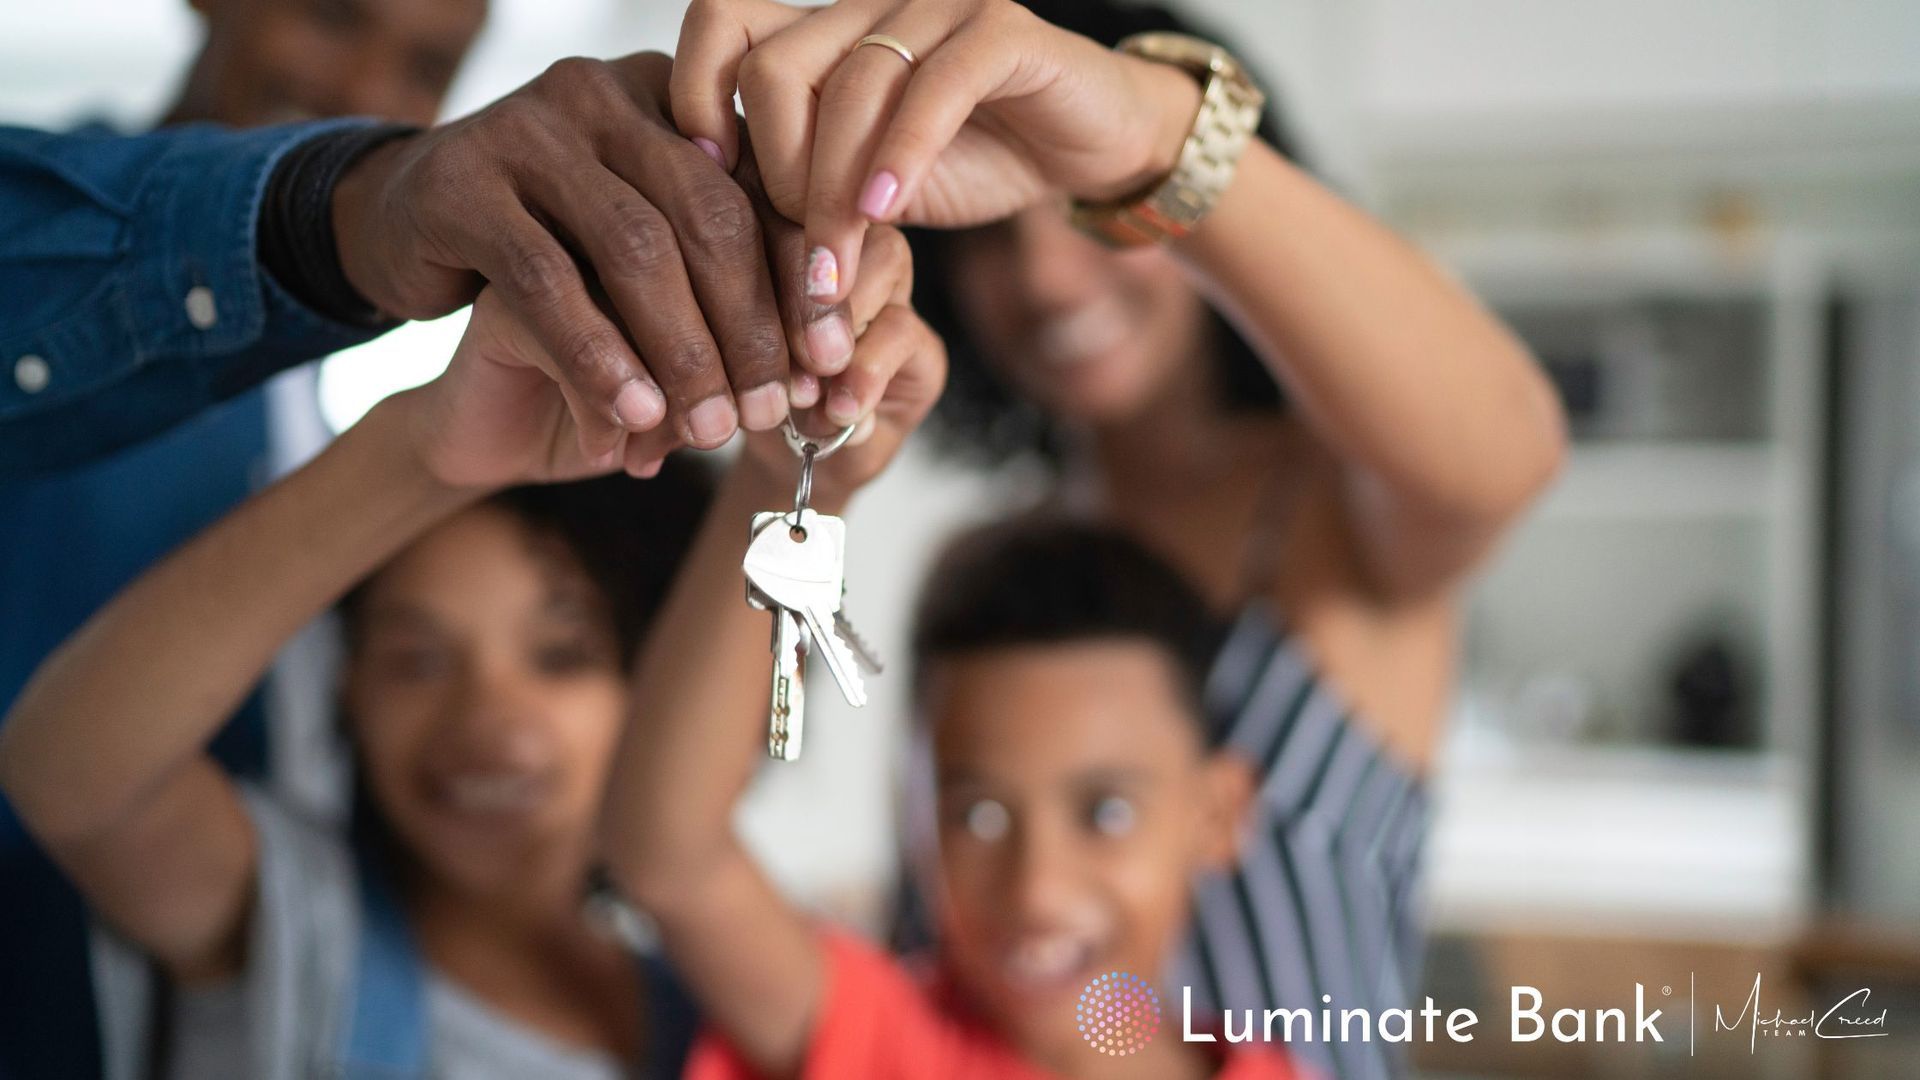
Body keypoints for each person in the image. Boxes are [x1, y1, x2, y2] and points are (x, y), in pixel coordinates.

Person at [669, 0, 1569, 1076]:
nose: (1048, 277)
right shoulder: (993, 567)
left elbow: (1507, 453)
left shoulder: (1340, 513)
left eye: (1092, 213)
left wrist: (1148, 129)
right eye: (997, 230)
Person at [0, 188, 931, 1076]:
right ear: (346, 688)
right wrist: (425, 451)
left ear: (662, 670)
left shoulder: (720, 1001)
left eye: (562, 656)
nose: (487, 719)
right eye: (416, 660)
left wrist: (786, 482)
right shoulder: (292, 931)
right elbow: (75, 777)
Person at [0, 4, 491, 1072]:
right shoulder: (40, 304)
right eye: (331, 13)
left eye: (428, 64)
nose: (361, 80)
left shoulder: (317, 426)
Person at [604, 507, 1298, 1076]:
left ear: (1218, 814)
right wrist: (789, 486)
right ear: (913, 817)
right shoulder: (885, 1044)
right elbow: (670, 859)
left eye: (1105, 812)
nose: (1037, 890)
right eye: (978, 815)